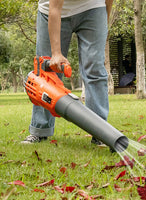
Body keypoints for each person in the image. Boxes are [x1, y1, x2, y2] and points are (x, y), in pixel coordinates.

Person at [22, 0, 113, 145]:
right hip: (51, 9)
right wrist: (56, 53)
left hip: (93, 7)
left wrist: (103, 22)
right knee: (46, 71)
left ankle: (101, 133)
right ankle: (40, 129)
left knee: (95, 69)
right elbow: (55, 8)